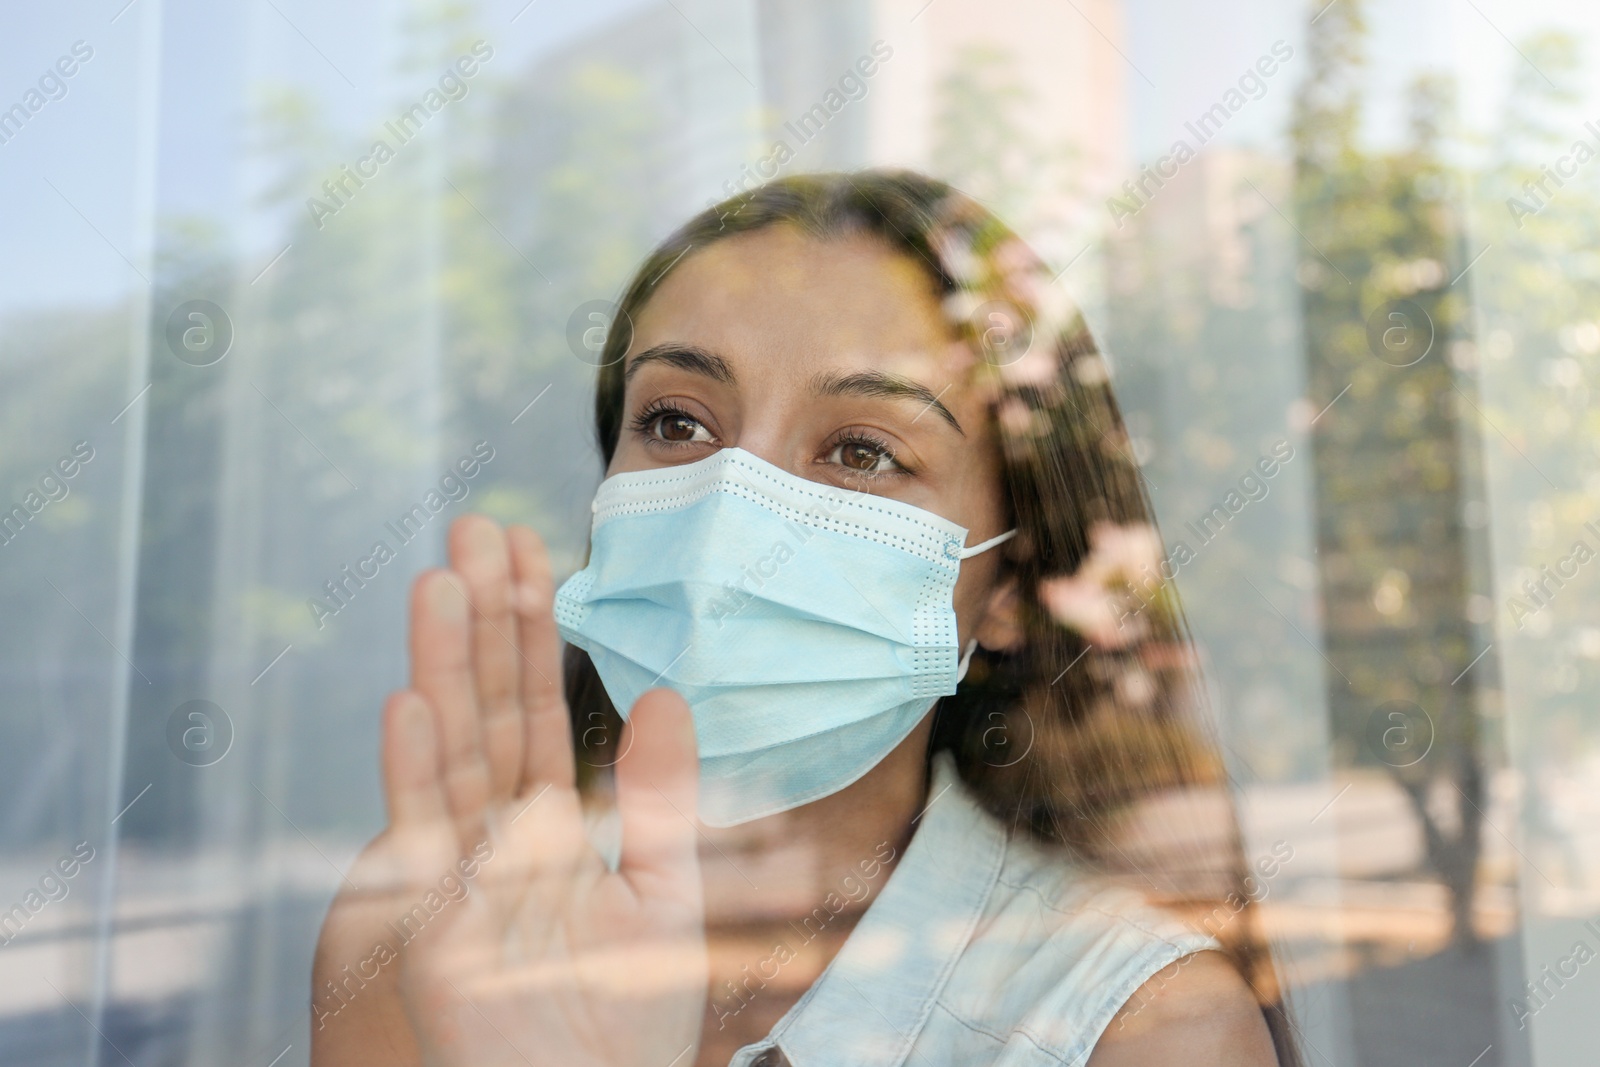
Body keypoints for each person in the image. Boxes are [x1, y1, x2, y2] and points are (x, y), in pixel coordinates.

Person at [310, 171, 1298, 1066]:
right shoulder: (424, 930)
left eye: (863, 450)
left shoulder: (1147, 1029)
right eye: (674, 422)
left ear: (1004, 589)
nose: (730, 506)